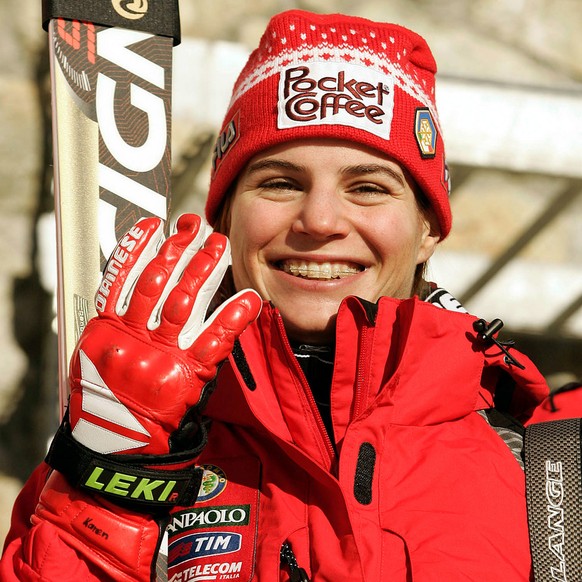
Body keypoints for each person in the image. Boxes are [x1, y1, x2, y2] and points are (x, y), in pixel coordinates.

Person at [1, 9, 580, 582]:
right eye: (279, 182)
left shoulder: (552, 470)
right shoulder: (147, 443)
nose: (320, 220)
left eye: (369, 188)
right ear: (227, 216)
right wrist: (108, 471)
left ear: (428, 227)